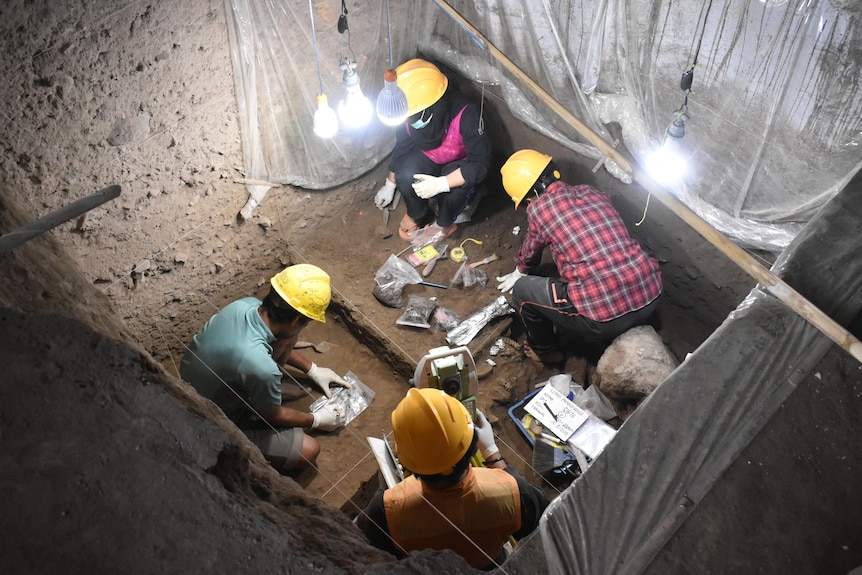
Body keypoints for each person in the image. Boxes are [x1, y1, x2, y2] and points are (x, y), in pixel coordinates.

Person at [180, 264, 351, 473]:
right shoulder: (261, 367)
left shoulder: (245, 305)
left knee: (289, 336)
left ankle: (266, 391)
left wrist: (312, 369)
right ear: (298, 318)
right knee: (309, 450)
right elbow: (272, 415)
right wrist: (316, 420)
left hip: (193, 382)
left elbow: (275, 344)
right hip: (206, 414)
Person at [496, 149, 663, 364]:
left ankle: (546, 352)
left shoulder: (539, 210)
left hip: (603, 317)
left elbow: (531, 250)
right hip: (651, 293)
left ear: (530, 197)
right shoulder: (590, 192)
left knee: (522, 292)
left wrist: (520, 270)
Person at [357, 388, 548, 570]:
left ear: (406, 461)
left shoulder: (386, 510)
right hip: (491, 566)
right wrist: (492, 453)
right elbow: (543, 530)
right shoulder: (514, 492)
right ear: (473, 444)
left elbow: (371, 551)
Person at [373, 58, 492, 242]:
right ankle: (417, 213)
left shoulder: (466, 113)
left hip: (456, 163)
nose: (410, 120)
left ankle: (444, 224)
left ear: (431, 107)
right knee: (405, 172)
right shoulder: (407, 111)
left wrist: (441, 183)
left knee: (458, 189)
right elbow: (402, 148)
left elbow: (481, 164)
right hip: (428, 158)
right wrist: (390, 185)